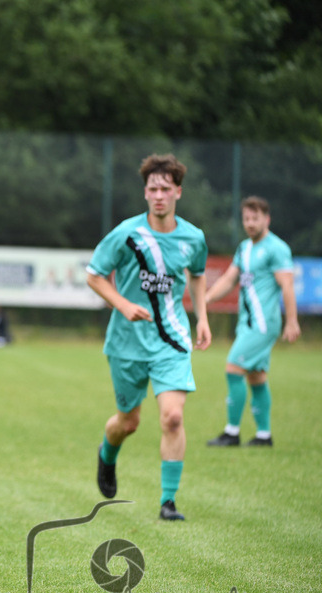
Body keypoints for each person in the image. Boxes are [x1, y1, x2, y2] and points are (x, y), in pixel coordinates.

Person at [85, 153, 211, 522]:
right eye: (152, 189)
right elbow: (94, 275)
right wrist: (123, 304)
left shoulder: (193, 238)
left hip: (171, 340)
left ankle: (168, 502)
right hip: (127, 343)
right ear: (145, 193)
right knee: (128, 422)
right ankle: (107, 455)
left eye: (165, 189)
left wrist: (202, 318)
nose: (158, 195)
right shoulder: (126, 234)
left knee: (172, 417)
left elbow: (198, 275)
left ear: (178, 192)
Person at [205, 196, 300, 447]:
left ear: (267, 219)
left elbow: (287, 285)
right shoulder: (244, 248)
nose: (250, 223)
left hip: (263, 323)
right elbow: (229, 279)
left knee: (233, 368)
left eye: (255, 218)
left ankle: (231, 433)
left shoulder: (277, 248)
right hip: (247, 323)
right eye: (246, 218)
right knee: (256, 377)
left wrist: (292, 321)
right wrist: (206, 298)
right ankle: (263, 436)